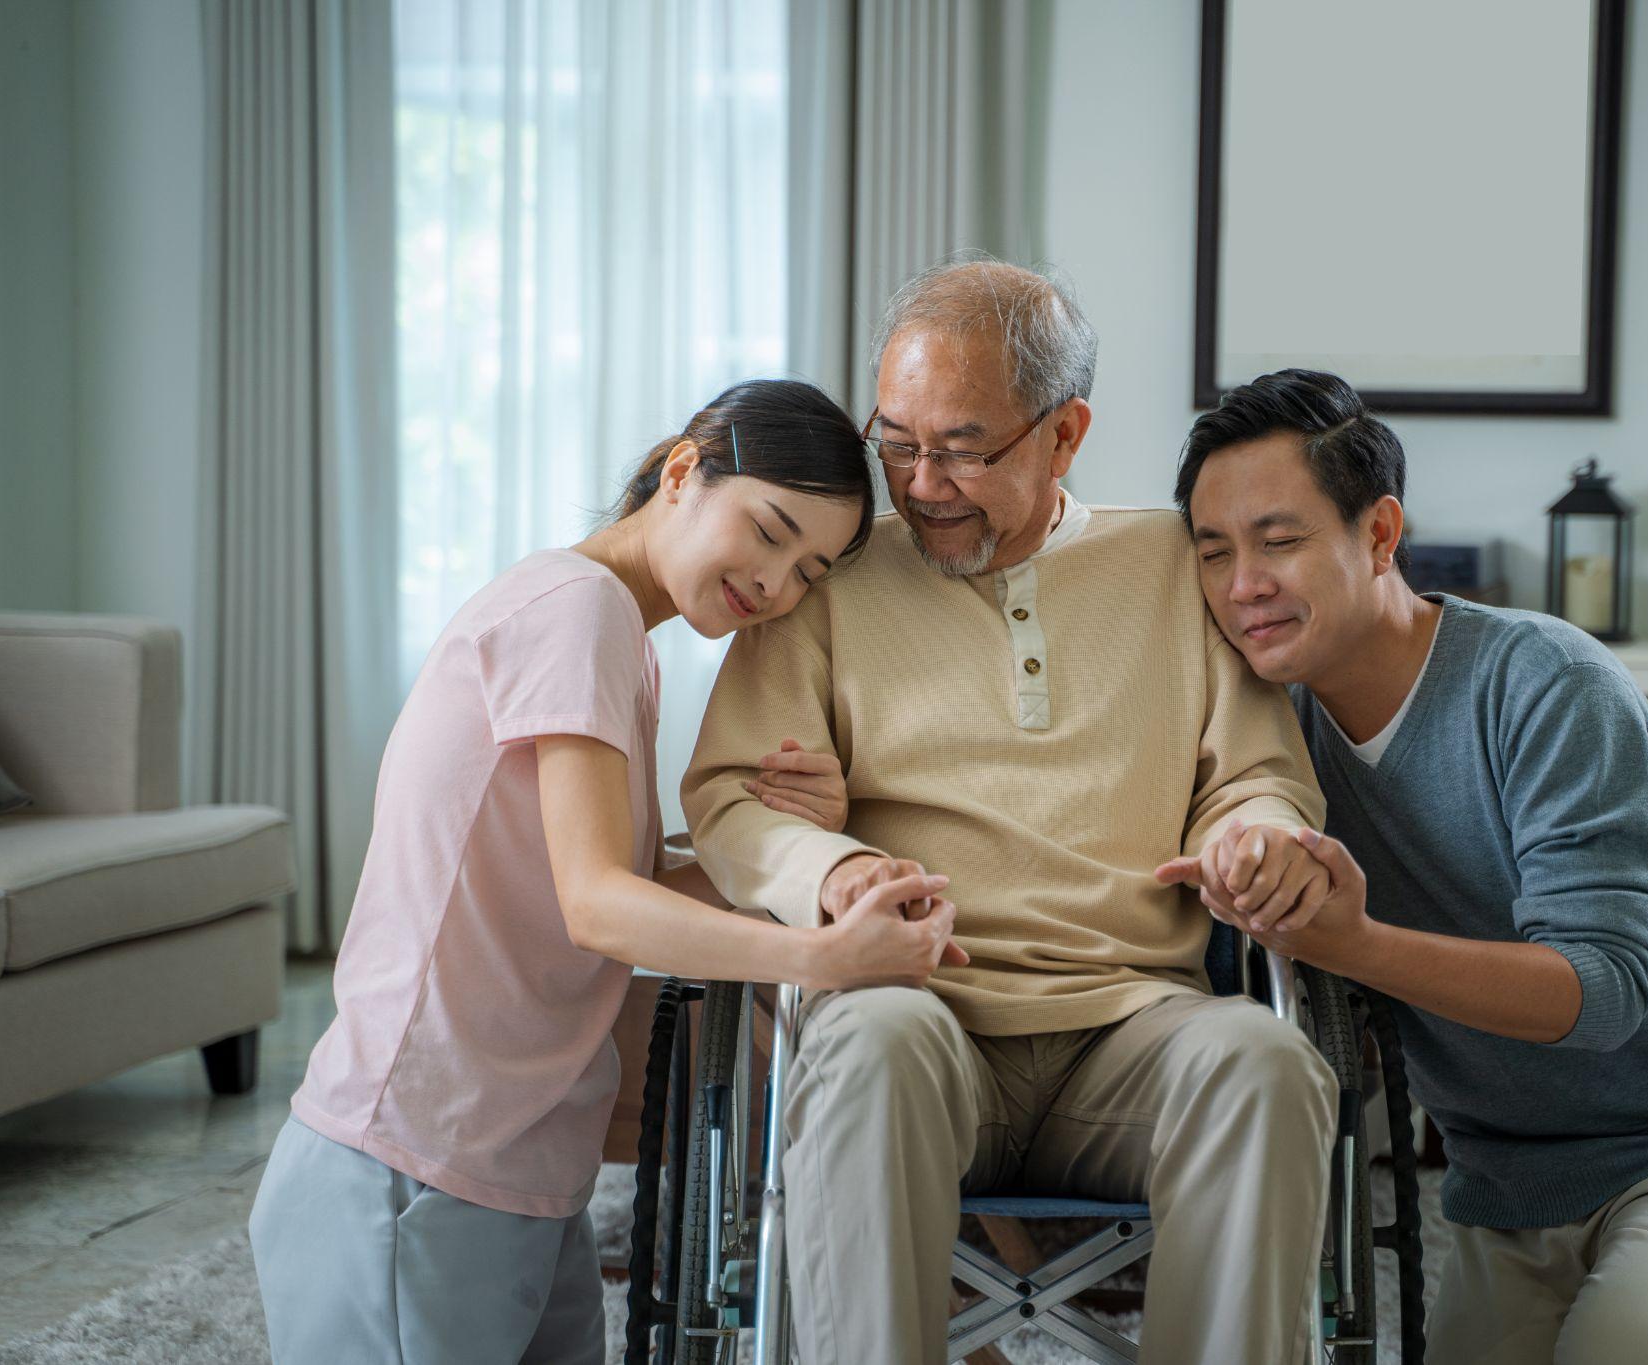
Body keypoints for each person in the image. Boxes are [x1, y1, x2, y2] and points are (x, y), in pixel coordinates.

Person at [683, 261, 1339, 1365]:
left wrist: (1254, 836)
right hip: (917, 1006)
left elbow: (1253, 778)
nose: (922, 483)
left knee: (1267, 1066)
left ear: (1064, 434)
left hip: (1132, 1024)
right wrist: (831, 870)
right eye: (897, 443)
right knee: (866, 1049)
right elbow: (731, 796)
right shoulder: (829, 579)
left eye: (963, 449)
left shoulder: (1175, 565)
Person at [249, 379, 963, 1365]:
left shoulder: (623, 641)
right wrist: (824, 959)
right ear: (683, 470)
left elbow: (625, 890)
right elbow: (597, 906)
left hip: (520, 1169)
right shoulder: (575, 610)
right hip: (414, 1165)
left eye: (807, 572)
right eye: (768, 532)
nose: (774, 585)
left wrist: (804, 848)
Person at [1168, 366, 1648, 1364]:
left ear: (1379, 533)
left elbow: (1599, 992)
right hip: (1511, 1186)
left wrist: (1354, 942)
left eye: (1279, 541)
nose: (1244, 585)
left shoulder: (1546, 682)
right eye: (1214, 552)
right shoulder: (1271, 742)